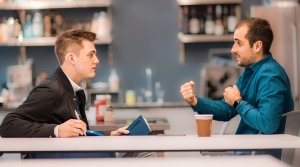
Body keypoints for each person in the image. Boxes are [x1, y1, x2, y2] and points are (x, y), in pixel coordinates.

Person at [0, 30, 154, 158]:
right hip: (57, 161)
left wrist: (108, 136)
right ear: (71, 58)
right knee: (145, 153)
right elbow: (8, 125)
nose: (97, 60)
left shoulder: (77, 92)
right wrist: (57, 130)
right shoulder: (50, 90)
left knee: (143, 149)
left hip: (77, 157)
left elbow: (82, 135)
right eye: (91, 54)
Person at [180, 18, 294, 157]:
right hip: (248, 153)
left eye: (238, 43)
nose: (233, 49)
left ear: (257, 46)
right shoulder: (252, 72)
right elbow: (227, 110)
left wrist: (237, 102)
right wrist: (195, 101)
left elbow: (268, 124)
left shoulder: (270, 75)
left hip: (260, 159)